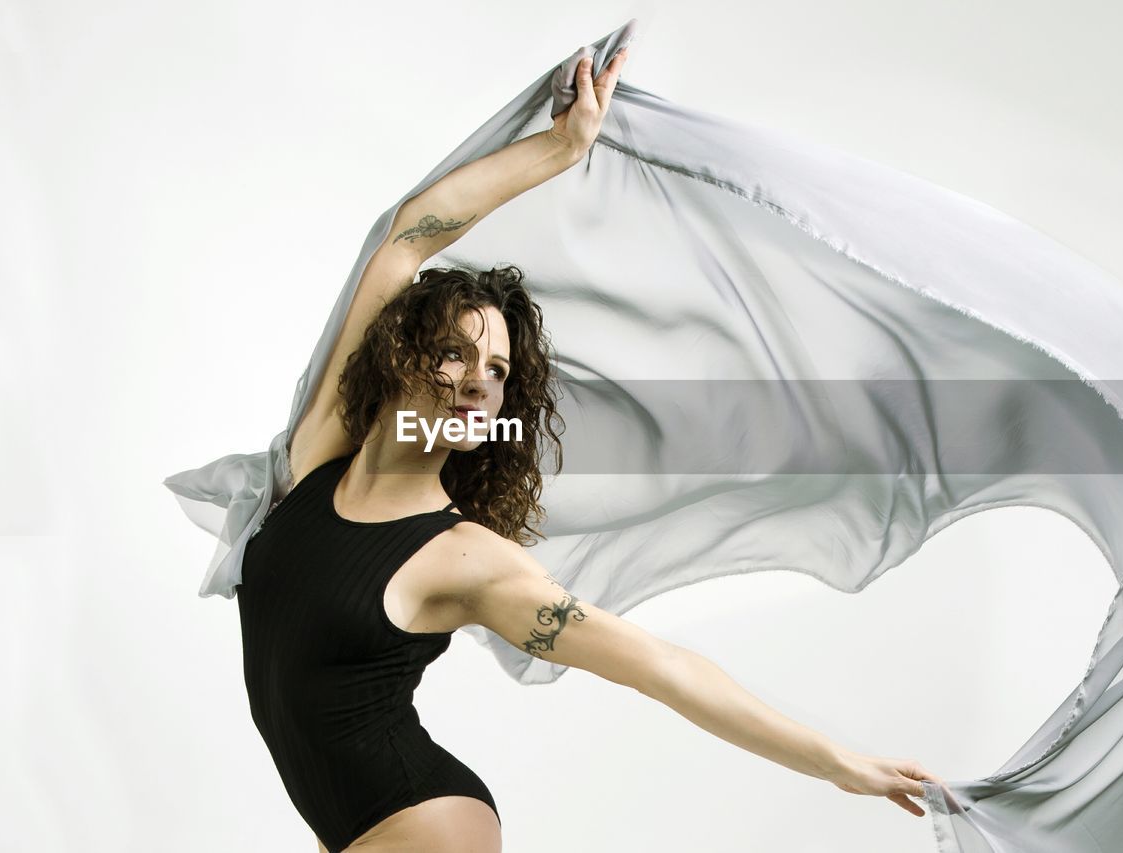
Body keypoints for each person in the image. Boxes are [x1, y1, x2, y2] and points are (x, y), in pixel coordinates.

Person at [237, 45, 944, 853]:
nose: (478, 382)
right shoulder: (318, 451)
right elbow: (403, 241)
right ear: (401, 355)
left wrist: (835, 761)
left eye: (498, 370)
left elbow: (660, 666)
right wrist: (561, 149)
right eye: (457, 354)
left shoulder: (467, 559)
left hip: (426, 825)